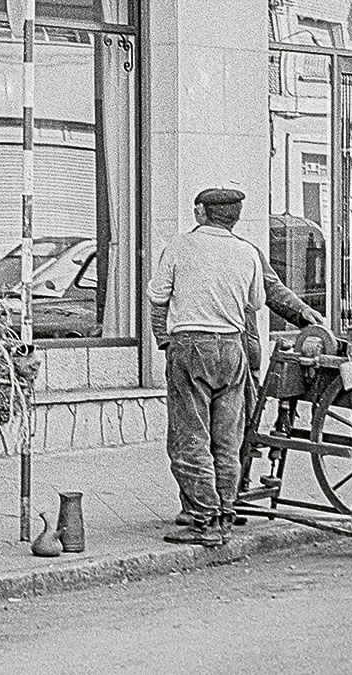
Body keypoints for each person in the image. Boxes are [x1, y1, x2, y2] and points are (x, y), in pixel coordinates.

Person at [147, 188, 264, 546]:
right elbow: (255, 303)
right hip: (232, 347)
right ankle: (226, 514)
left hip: (190, 345)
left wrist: (164, 341)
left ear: (201, 211)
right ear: (235, 217)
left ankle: (203, 519)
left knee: (190, 438)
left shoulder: (180, 246)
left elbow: (157, 296)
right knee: (227, 440)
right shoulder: (248, 253)